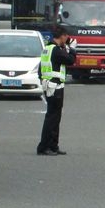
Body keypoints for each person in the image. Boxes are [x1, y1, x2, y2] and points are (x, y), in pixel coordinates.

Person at [37, 25, 77, 156]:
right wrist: (72, 49)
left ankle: (53, 145)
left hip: (48, 85)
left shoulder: (47, 49)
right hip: (55, 87)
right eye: (66, 36)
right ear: (62, 36)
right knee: (52, 118)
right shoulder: (56, 50)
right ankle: (45, 147)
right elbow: (70, 60)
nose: (67, 39)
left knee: (54, 116)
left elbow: (40, 70)